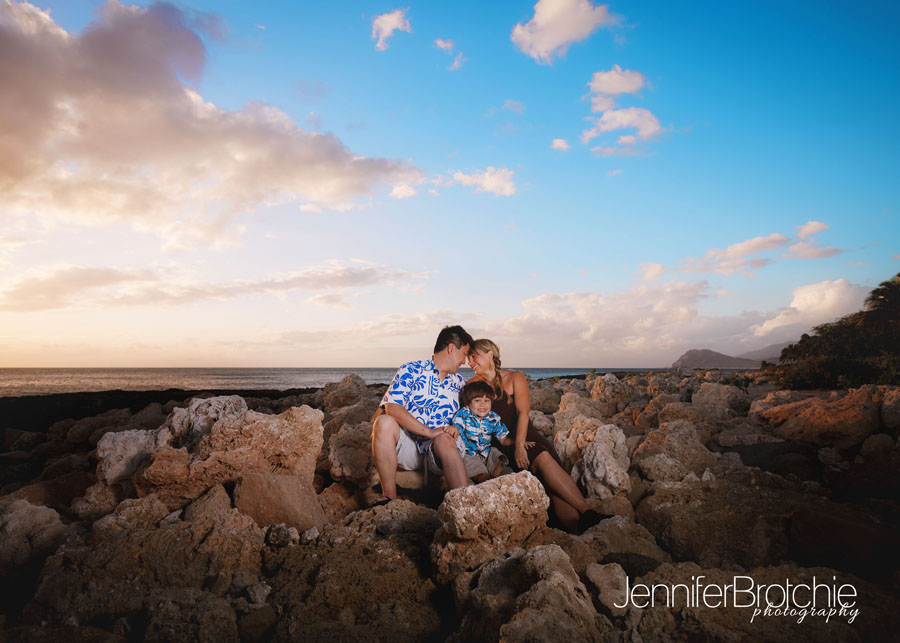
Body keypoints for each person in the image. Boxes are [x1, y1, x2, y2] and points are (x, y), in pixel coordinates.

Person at [467, 338, 604, 533]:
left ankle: (587, 513)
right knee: (551, 491)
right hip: (501, 444)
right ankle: (578, 530)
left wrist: (520, 446)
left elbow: (523, 412)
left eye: (474, 357)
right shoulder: (472, 384)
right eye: (468, 359)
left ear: (490, 355)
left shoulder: (515, 377)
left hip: (526, 436)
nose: (470, 363)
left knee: (542, 456)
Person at [370, 325, 474, 505]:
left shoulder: (460, 383)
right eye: (464, 354)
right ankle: (389, 498)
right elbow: (392, 407)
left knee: (444, 439)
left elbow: (476, 411)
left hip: (441, 451)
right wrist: (429, 432)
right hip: (408, 448)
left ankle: (464, 506)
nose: (464, 361)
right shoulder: (410, 370)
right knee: (384, 421)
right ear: (451, 349)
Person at [451, 380, 533, 483]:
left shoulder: (493, 417)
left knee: (496, 455)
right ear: (468, 403)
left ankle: (498, 473)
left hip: (486, 453)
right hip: (469, 454)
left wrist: (518, 443)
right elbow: (457, 425)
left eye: (487, 401)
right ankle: (485, 479)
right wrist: (454, 428)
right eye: (477, 400)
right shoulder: (464, 413)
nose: (482, 405)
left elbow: (503, 440)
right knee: (482, 475)